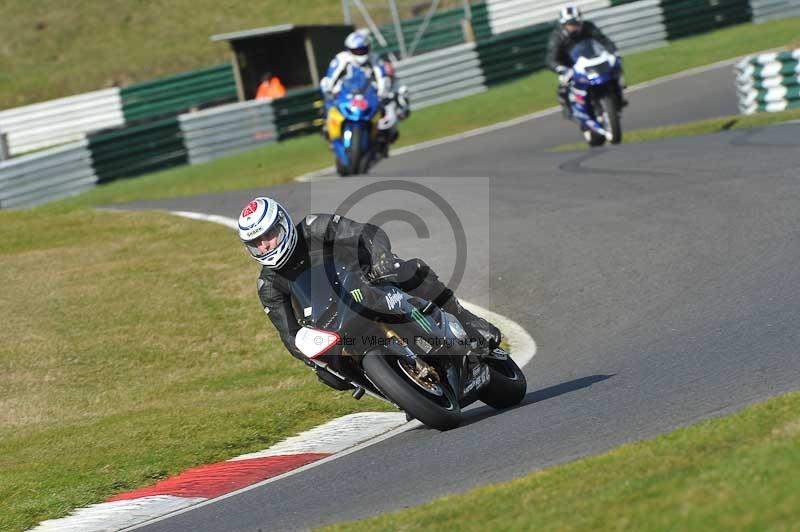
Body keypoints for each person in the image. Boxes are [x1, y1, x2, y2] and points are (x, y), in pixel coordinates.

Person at [238, 196, 501, 390]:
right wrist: (314, 360)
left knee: (408, 271)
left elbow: (366, 232)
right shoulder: (269, 285)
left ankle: (468, 322)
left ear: (282, 224)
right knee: (329, 375)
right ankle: (397, 388)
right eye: (256, 243)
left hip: (368, 279)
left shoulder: (312, 227)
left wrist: (380, 258)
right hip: (333, 320)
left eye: (269, 235)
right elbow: (290, 335)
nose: (264, 245)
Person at [545, 5, 626, 118]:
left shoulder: (588, 27)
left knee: (615, 69)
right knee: (563, 86)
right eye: (570, 24)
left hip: (591, 60)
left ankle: (618, 96)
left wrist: (614, 52)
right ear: (563, 24)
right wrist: (561, 68)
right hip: (570, 66)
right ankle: (569, 109)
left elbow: (604, 40)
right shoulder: (557, 36)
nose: (573, 26)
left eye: (576, 23)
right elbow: (550, 58)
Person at [319, 30, 389, 138]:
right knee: (328, 104)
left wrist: (382, 92)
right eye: (357, 51)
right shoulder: (341, 58)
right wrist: (327, 88)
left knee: (385, 109)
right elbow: (331, 76)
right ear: (350, 49)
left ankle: (382, 134)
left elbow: (382, 77)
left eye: (363, 50)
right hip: (345, 92)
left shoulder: (374, 58)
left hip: (368, 93)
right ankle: (327, 126)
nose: (360, 53)